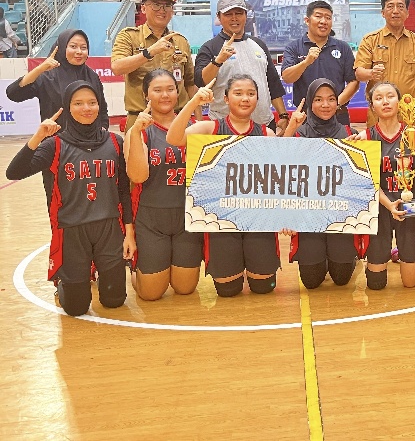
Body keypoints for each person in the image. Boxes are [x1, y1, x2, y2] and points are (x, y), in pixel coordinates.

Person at [5, 81, 134, 316]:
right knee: (76, 308)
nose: (86, 108)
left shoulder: (115, 142)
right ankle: (65, 281)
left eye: (92, 102)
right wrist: (38, 136)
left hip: (109, 228)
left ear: (100, 105)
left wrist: (129, 232)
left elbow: (124, 191)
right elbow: (14, 172)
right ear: (67, 106)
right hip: (71, 229)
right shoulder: (55, 144)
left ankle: (98, 273)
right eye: (78, 103)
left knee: (114, 300)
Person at [166, 74, 281, 298]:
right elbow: (173, 138)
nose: (245, 98)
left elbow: (277, 182)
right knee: (228, 291)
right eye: (238, 93)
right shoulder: (209, 128)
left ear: (257, 99)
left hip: (257, 221)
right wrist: (194, 102)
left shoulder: (266, 134)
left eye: (251, 94)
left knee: (264, 288)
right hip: (221, 221)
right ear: (226, 98)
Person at [124, 69, 203, 300]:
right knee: (151, 294)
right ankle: (136, 270)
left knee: (185, 288)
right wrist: (136, 132)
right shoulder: (138, 131)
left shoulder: (195, 127)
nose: (165, 95)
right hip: (151, 218)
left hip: (188, 218)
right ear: (146, 95)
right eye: (157, 90)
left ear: (178, 93)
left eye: (170, 89)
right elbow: (137, 177)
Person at [348, 82, 415, 289]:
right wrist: (389, 205)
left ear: (399, 102)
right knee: (375, 284)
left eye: (390, 96)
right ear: (372, 106)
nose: (385, 101)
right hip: (378, 209)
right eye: (379, 98)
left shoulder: (413, 135)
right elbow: (366, 182)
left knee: (410, 284)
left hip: (407, 209)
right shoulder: (365, 138)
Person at [282, 79, 358, 289]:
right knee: (311, 281)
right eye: (318, 99)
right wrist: (291, 127)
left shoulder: (349, 134)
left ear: (337, 103)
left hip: (339, 214)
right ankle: (321, 256)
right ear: (309, 102)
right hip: (308, 216)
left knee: (341, 278)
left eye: (331, 99)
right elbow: (279, 166)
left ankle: (341, 256)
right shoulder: (299, 133)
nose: (325, 104)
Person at [194, 0, 288, 134]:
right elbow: (201, 81)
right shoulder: (210, 47)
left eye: (238, 13)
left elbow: (272, 83)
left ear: (246, 15)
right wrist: (218, 61)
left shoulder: (259, 44)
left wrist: (283, 115)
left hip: (263, 125)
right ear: (219, 17)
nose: (234, 18)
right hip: (225, 128)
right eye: (228, 14)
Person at [111, 0, 195, 132]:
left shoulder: (181, 41)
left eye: (167, 6)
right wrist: (149, 52)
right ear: (143, 8)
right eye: (156, 5)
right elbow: (117, 67)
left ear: (172, 11)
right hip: (141, 118)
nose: (162, 10)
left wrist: (198, 119)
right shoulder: (129, 36)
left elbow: (190, 83)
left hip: (177, 119)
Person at [354, 0, 415, 132]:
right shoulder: (370, 40)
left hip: (412, 115)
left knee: (413, 146)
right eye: (390, 6)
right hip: (379, 114)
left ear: (407, 13)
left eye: (400, 6)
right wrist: (371, 73)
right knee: (378, 146)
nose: (395, 11)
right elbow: (359, 73)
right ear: (382, 12)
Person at [7, 28, 109, 127]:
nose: (79, 51)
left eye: (83, 48)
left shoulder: (92, 76)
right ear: (61, 48)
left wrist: (102, 129)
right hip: (56, 136)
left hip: (90, 137)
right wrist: (40, 69)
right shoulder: (47, 76)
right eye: (73, 46)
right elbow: (13, 94)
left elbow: (102, 110)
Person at [281, 0, 358, 128]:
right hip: (304, 117)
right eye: (318, 16)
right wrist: (306, 62)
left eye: (328, 17)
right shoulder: (294, 47)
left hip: (338, 115)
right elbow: (287, 78)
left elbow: (353, 81)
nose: (323, 21)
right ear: (307, 20)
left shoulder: (343, 47)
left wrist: (334, 104)